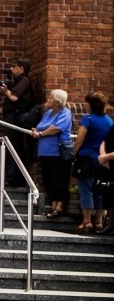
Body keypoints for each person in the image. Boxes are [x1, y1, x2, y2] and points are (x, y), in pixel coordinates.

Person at [71, 92, 113, 232]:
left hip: (86, 157)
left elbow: (80, 139)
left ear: (91, 105)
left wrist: (73, 154)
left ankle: (87, 221)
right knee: (100, 189)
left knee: (86, 189)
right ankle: (99, 221)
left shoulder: (87, 119)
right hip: (102, 158)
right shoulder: (109, 121)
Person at [30, 90, 73, 219]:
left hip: (58, 153)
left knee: (59, 180)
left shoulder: (65, 113)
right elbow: (40, 126)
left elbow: (56, 128)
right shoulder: (48, 113)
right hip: (45, 152)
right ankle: (53, 205)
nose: (48, 99)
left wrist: (41, 134)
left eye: (51, 97)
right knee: (47, 180)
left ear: (57, 101)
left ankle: (58, 207)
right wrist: (35, 131)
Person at [0, 57, 36, 187]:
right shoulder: (18, 80)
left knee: (13, 145)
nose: (11, 68)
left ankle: (14, 177)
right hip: (14, 116)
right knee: (12, 145)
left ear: (21, 68)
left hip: (15, 117)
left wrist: (6, 91)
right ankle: (12, 176)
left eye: (14, 66)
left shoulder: (24, 80)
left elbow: (14, 97)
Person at [97, 121, 114, 235]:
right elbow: (104, 142)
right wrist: (103, 158)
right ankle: (110, 225)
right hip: (109, 166)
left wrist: (105, 157)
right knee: (110, 197)